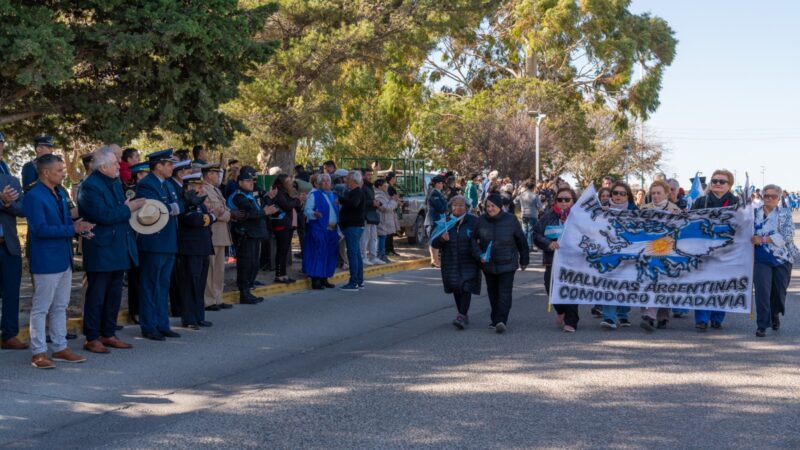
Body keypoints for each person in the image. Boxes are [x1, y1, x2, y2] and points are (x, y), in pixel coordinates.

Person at [25, 154, 95, 368]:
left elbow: (66, 221)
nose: (63, 173)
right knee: (41, 307)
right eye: (59, 170)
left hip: (63, 257)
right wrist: (71, 229)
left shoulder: (60, 192)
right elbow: (40, 229)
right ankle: (38, 352)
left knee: (61, 306)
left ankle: (60, 347)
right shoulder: (34, 195)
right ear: (46, 172)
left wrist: (79, 229)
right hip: (46, 258)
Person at [77, 146, 144, 353]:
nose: (119, 166)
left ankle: (108, 333)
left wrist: (124, 206)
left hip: (118, 245)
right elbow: (104, 215)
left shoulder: (114, 181)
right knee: (97, 295)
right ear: (104, 166)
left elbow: (116, 208)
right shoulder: (90, 186)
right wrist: (128, 208)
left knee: (114, 293)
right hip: (102, 248)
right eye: (115, 163)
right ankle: (92, 337)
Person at [135, 149, 182, 341]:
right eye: (169, 164)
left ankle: (162, 324)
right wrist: (172, 208)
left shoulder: (168, 184)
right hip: (154, 242)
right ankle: (149, 325)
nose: (172, 167)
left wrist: (172, 208)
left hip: (168, 241)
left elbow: (180, 204)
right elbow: (153, 210)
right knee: (150, 285)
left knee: (163, 285)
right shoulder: (147, 184)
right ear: (158, 165)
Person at [472, 193, 529, 334]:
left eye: (493, 206)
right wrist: (479, 255)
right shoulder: (480, 220)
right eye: (488, 206)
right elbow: (473, 240)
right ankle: (495, 318)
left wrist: (524, 259)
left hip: (507, 263)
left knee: (504, 293)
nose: (490, 209)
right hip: (488, 264)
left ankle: (501, 320)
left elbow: (521, 240)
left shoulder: (511, 219)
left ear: (500, 207)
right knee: (493, 293)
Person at [692, 169, 739, 331]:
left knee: (723, 285)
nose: (717, 184)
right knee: (703, 284)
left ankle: (718, 317)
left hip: (728, 251)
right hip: (704, 250)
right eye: (714, 181)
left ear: (729, 185)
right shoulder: (700, 202)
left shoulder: (738, 203)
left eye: (721, 181)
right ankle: (702, 319)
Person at [751, 184, 799, 337]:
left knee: (778, 292)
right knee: (762, 291)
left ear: (779, 198)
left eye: (773, 196)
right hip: (761, 259)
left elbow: (787, 235)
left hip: (782, 258)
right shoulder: (753, 213)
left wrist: (763, 239)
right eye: (766, 195)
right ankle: (762, 325)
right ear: (762, 197)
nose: (769, 198)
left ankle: (775, 314)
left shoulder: (785, 213)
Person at [431, 195, 481, 330]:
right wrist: (442, 239)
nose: (457, 207)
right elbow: (434, 242)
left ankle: (461, 315)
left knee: (466, 287)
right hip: (450, 261)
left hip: (469, 260)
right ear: (450, 207)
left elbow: (482, 237)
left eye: (461, 205)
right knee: (456, 287)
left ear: (466, 208)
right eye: (455, 205)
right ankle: (462, 313)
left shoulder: (474, 221)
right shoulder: (445, 222)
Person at [638, 180, 682, 331]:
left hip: (668, 250)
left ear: (666, 194)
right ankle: (648, 316)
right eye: (653, 193)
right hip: (648, 250)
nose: (655, 196)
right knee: (648, 281)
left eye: (658, 193)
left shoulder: (676, 210)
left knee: (664, 283)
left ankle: (663, 316)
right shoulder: (644, 209)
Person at [230, 167, 277, 303]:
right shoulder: (239, 196)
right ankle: (244, 293)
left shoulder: (251, 195)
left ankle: (249, 290)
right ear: (240, 182)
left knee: (254, 264)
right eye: (247, 181)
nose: (251, 183)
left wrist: (268, 198)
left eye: (252, 181)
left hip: (255, 234)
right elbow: (249, 213)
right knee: (245, 264)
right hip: (245, 234)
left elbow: (267, 208)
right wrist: (264, 212)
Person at [176, 173, 217, 330]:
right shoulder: (184, 203)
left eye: (200, 186)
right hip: (190, 249)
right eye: (197, 187)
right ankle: (189, 318)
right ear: (187, 188)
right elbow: (195, 220)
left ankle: (199, 316)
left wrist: (208, 217)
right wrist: (213, 216)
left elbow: (203, 220)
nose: (200, 189)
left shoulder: (199, 203)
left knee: (200, 284)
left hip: (203, 247)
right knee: (189, 284)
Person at [534, 186, 578, 332]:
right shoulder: (548, 216)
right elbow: (536, 235)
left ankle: (571, 321)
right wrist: (548, 243)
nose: (564, 202)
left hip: (574, 261)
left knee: (571, 289)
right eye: (560, 199)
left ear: (573, 201)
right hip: (552, 260)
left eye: (567, 199)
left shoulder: (580, 217)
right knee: (550, 287)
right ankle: (561, 310)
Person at [0, 134, 28, 350]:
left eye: (1, 143)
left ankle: (9, 335)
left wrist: (10, 204)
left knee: (11, 291)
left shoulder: (9, 176)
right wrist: (3, 200)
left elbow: (22, 208)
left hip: (7, 243)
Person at [600, 181, 638, 330]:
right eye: (615, 193)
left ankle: (623, 314)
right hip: (607, 253)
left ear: (627, 196)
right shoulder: (601, 208)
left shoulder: (635, 210)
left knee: (625, 285)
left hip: (629, 253)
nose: (618, 196)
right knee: (609, 284)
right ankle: (609, 318)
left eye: (622, 194)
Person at [201, 164, 235, 311]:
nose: (218, 176)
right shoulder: (203, 189)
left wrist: (223, 214)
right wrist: (222, 214)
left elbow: (226, 212)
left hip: (221, 234)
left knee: (220, 269)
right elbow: (211, 211)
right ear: (208, 174)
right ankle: (208, 300)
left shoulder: (216, 190)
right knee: (210, 269)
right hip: (212, 234)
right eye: (216, 173)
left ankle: (218, 297)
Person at [302, 173, 340, 290]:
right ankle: (316, 280)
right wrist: (314, 213)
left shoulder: (334, 195)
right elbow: (307, 210)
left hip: (332, 230)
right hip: (318, 229)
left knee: (330, 254)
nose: (326, 183)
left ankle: (325, 278)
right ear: (318, 184)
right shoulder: (314, 195)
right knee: (318, 254)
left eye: (327, 181)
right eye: (323, 181)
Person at [270, 173, 304, 284]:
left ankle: (283, 274)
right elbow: (287, 206)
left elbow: (293, 206)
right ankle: (279, 275)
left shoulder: (287, 193)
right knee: (281, 250)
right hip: (282, 225)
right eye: (288, 181)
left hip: (289, 225)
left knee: (284, 251)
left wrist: (298, 202)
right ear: (282, 183)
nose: (291, 184)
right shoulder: (279, 193)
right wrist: (298, 200)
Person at [337, 170, 366, 291]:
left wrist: (341, 200)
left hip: (353, 227)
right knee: (356, 254)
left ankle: (353, 282)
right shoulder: (353, 192)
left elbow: (354, 204)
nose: (345, 181)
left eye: (347, 179)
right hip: (353, 226)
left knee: (352, 254)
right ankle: (359, 280)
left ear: (354, 181)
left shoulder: (357, 192)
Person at [360, 168, 382, 266]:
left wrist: (377, 203)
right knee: (365, 238)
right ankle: (363, 256)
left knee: (373, 237)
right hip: (365, 215)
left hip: (372, 215)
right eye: (368, 174)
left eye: (370, 174)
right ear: (363, 176)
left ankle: (373, 257)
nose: (370, 176)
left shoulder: (370, 187)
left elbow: (371, 199)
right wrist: (372, 203)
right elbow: (361, 201)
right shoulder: (362, 187)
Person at [514, 180, 543, 252]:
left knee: (524, 231)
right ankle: (530, 247)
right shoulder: (535, 196)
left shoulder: (522, 195)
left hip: (524, 214)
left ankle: (523, 246)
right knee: (531, 231)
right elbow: (540, 207)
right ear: (533, 187)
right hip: (533, 214)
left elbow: (514, 201)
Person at [425, 175, 448, 268]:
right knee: (434, 240)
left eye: (442, 183)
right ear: (435, 184)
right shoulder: (434, 193)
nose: (441, 184)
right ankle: (434, 260)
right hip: (433, 220)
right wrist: (447, 206)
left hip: (438, 220)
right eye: (439, 183)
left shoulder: (438, 193)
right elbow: (441, 207)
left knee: (436, 240)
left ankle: (435, 260)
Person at [374, 179, 398, 263]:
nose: (386, 188)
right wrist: (394, 201)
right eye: (385, 186)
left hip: (385, 220)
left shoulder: (384, 195)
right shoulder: (379, 195)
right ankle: (380, 255)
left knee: (383, 237)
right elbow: (386, 207)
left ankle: (381, 255)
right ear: (379, 186)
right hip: (382, 220)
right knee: (381, 237)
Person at [384, 172, 402, 257]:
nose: (395, 180)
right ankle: (388, 250)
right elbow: (395, 199)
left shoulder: (386, 187)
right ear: (392, 178)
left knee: (390, 232)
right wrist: (398, 201)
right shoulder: (390, 188)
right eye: (395, 178)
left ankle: (390, 250)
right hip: (390, 211)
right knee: (389, 232)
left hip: (389, 211)